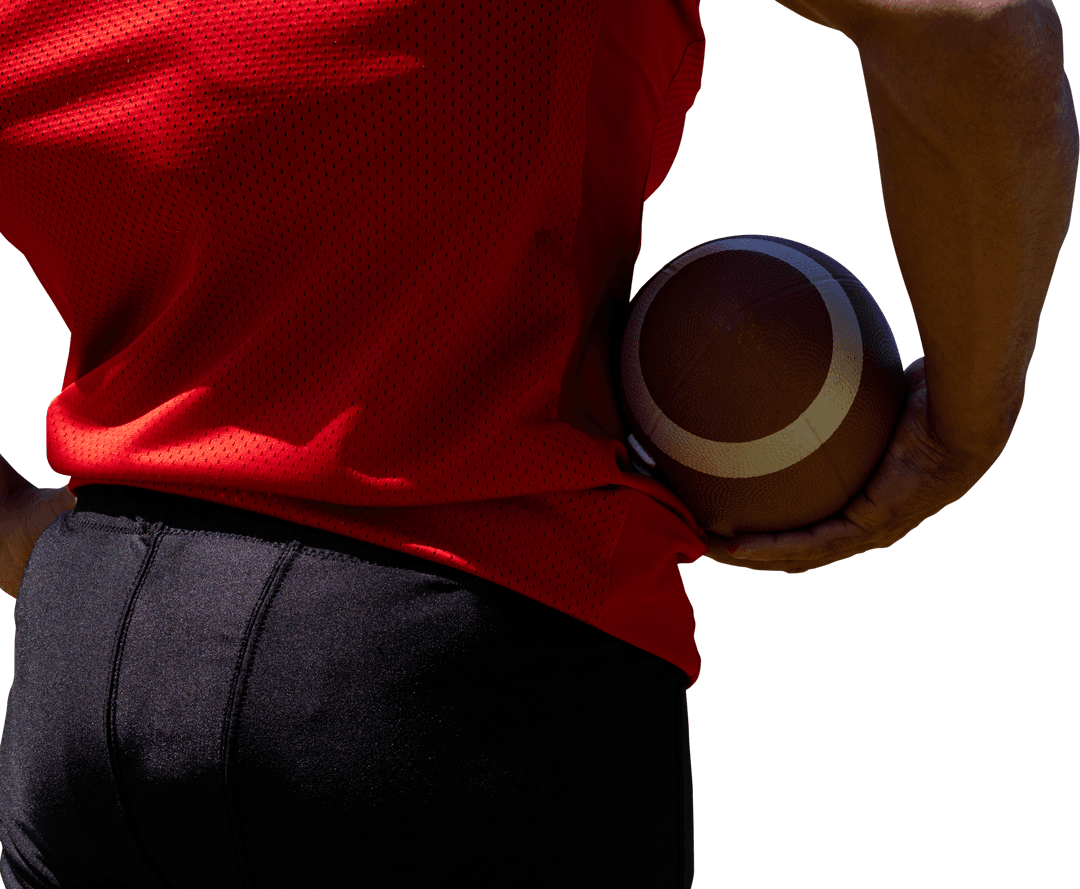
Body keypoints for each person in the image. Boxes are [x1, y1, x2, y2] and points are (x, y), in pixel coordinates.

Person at [0, 0, 1075, 886]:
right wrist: (967, 420)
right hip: (456, 651)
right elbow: (967, 24)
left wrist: (24, 536)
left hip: (91, 670)